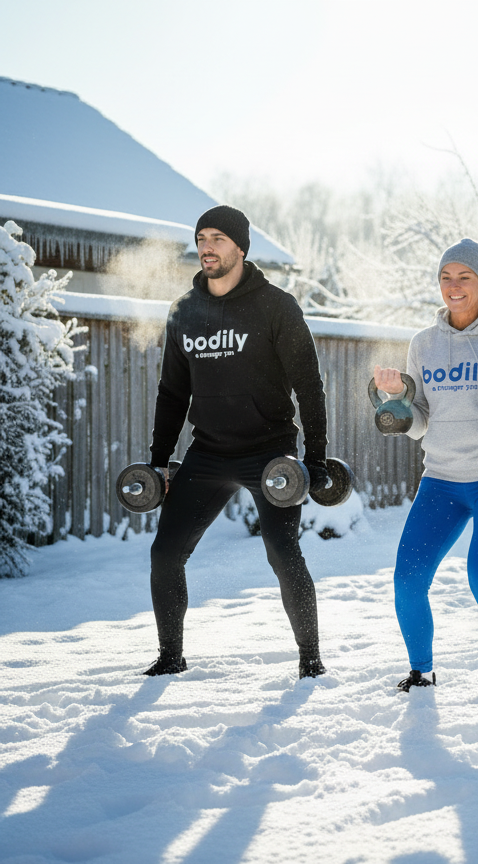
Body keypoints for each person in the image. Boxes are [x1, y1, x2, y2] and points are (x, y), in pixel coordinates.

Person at [145, 205, 330, 679]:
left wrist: (315, 458)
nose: (207, 246)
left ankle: (310, 660)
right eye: (202, 237)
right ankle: (170, 657)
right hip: (207, 453)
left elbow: (308, 384)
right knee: (165, 553)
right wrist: (159, 461)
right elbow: (172, 391)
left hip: (270, 453)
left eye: (218, 238)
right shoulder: (183, 312)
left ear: (241, 248)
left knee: (282, 552)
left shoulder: (276, 305)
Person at [373, 238, 478, 698]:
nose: (453, 286)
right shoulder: (424, 344)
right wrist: (397, 402)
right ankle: (420, 674)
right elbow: (420, 421)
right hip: (442, 479)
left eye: (464, 276)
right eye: (446, 276)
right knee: (408, 576)